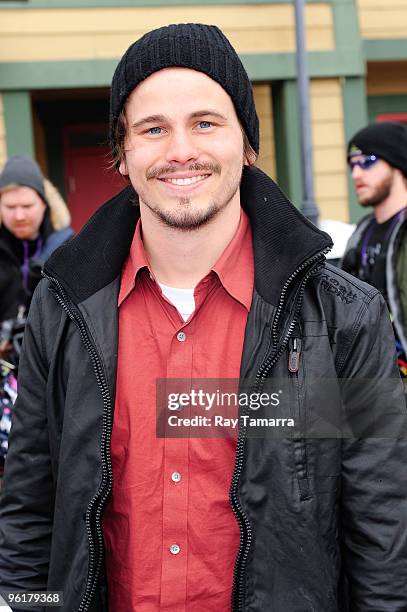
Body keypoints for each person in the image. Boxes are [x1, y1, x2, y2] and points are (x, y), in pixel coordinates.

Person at [0, 24, 406, 612]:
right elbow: (29, 513)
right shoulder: (60, 309)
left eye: (205, 123)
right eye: (153, 128)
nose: (179, 150)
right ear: (122, 153)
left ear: (247, 143)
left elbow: (383, 527)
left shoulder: (343, 317)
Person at [341, 122, 407, 377]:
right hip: (376, 385)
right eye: (352, 164)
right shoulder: (361, 233)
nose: (357, 173)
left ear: (397, 164)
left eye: (367, 161)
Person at [0, 155, 73, 359]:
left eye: (27, 206)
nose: (19, 216)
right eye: (10, 207)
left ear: (44, 204)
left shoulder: (66, 248)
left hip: (51, 362)